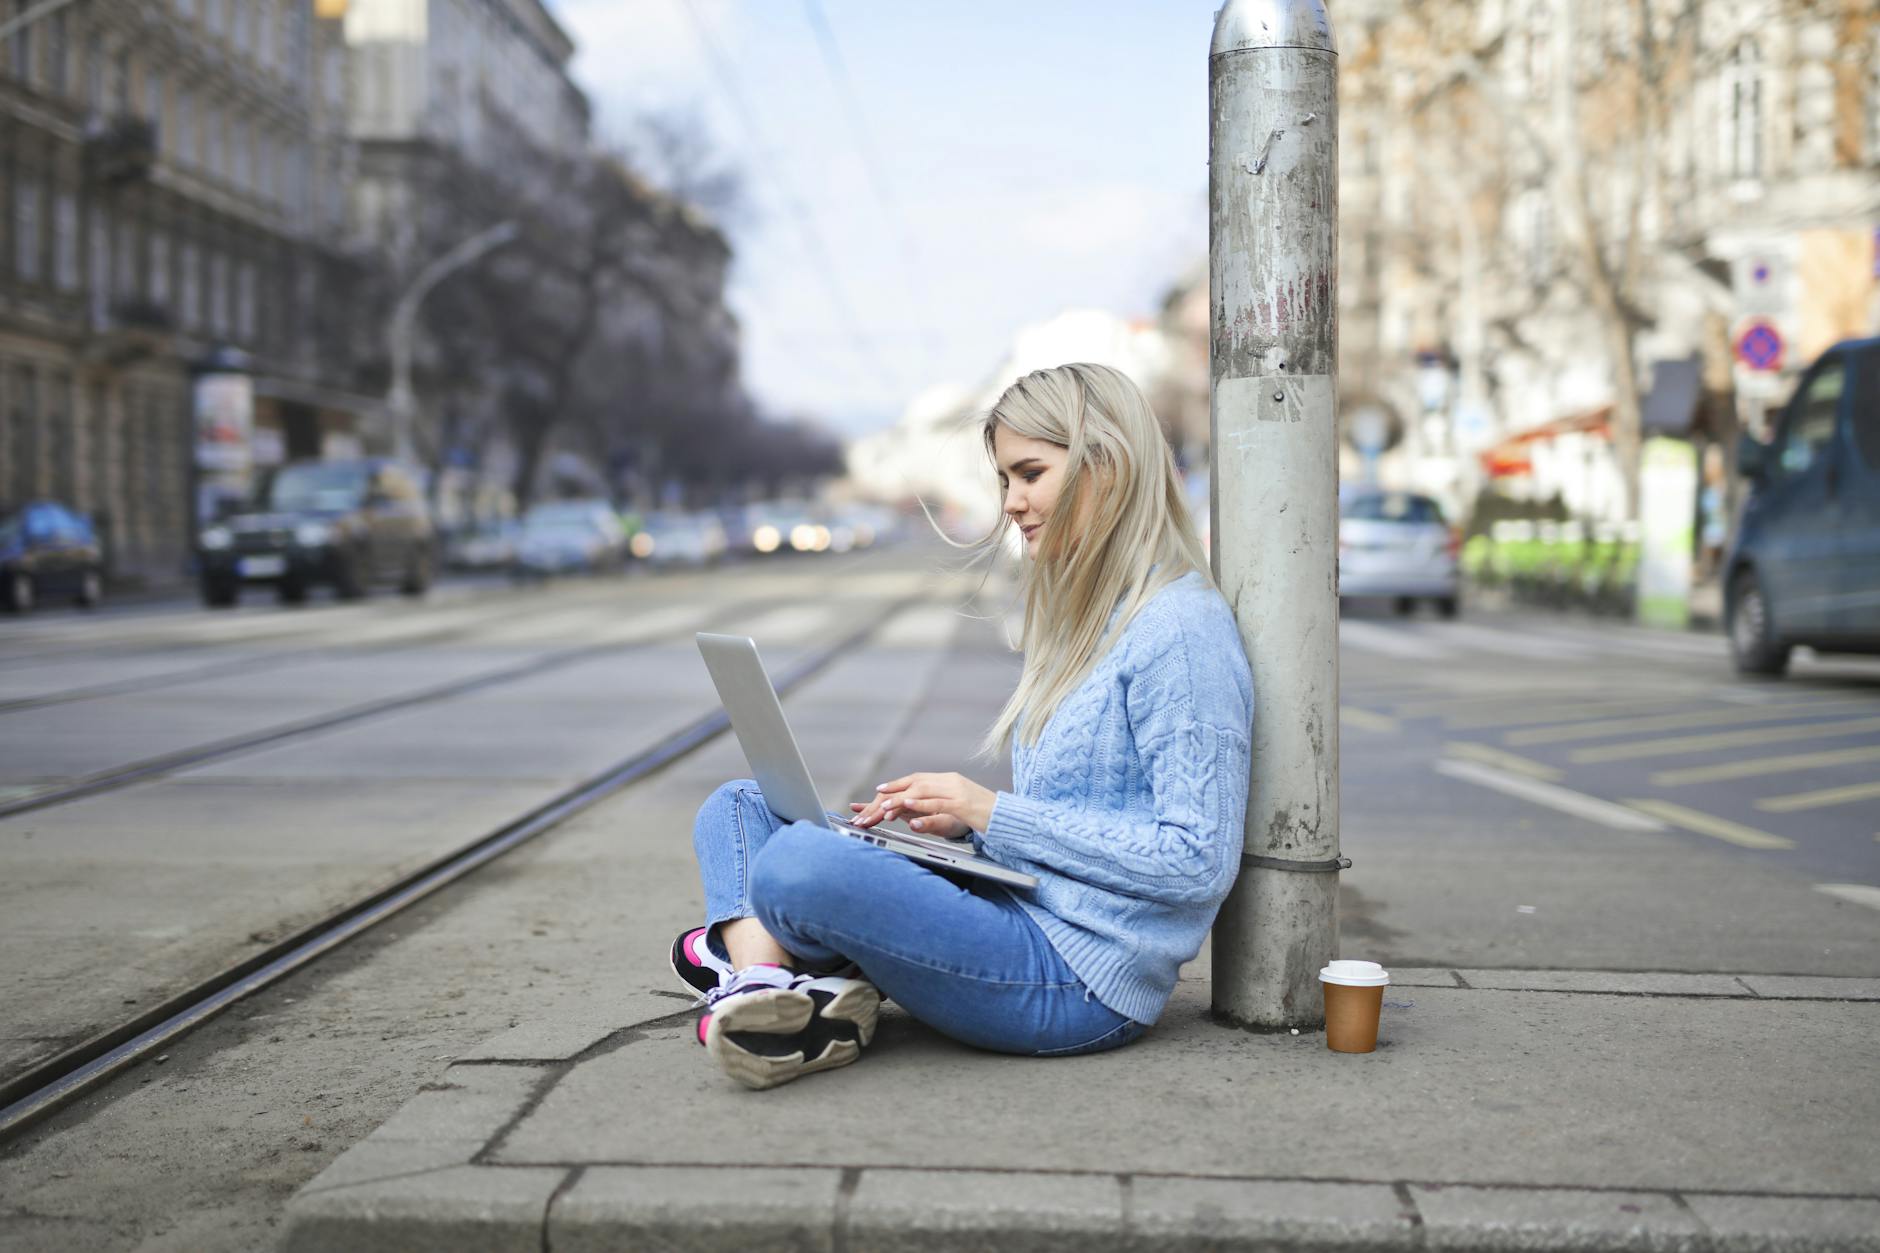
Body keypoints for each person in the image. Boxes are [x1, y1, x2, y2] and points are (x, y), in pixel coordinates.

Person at [674, 362, 1254, 1089]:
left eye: (1030, 472)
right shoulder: (1089, 618)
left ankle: (753, 965)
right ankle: (766, 990)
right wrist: (962, 836)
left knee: (797, 866)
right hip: (1019, 906)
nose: (1011, 502)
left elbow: (1196, 861)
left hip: (1077, 979)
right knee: (736, 807)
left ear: (1109, 464)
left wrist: (991, 812)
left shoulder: (1180, 628)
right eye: (1005, 479)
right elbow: (1083, 820)